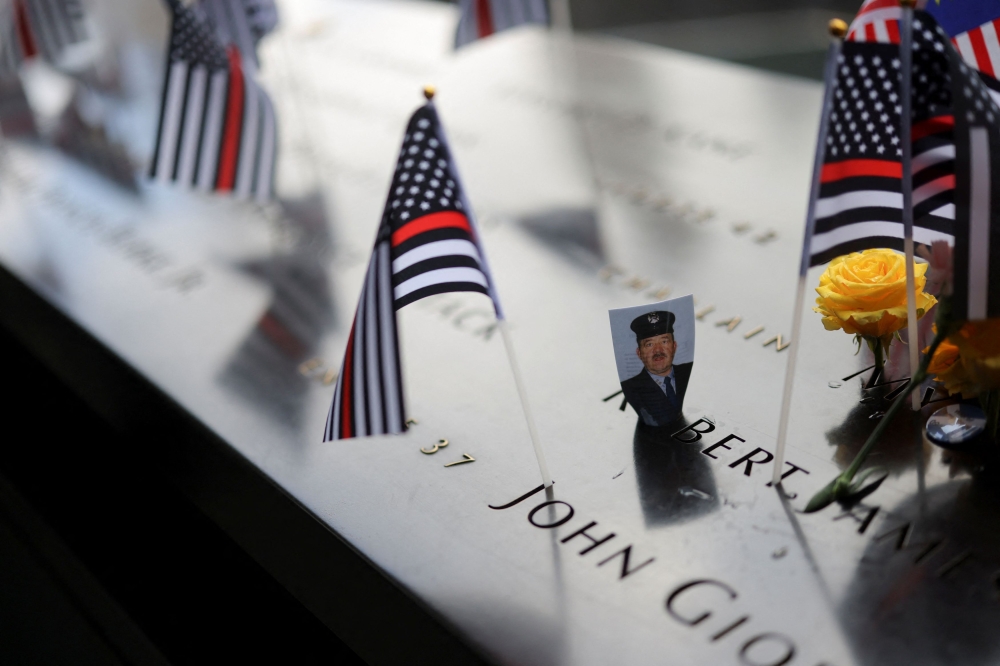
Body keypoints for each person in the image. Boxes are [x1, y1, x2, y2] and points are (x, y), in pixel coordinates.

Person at [620, 310, 692, 427]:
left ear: (674, 346)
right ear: (639, 353)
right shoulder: (632, 387)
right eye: (649, 344)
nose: (658, 350)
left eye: (664, 341)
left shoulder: (687, 371)